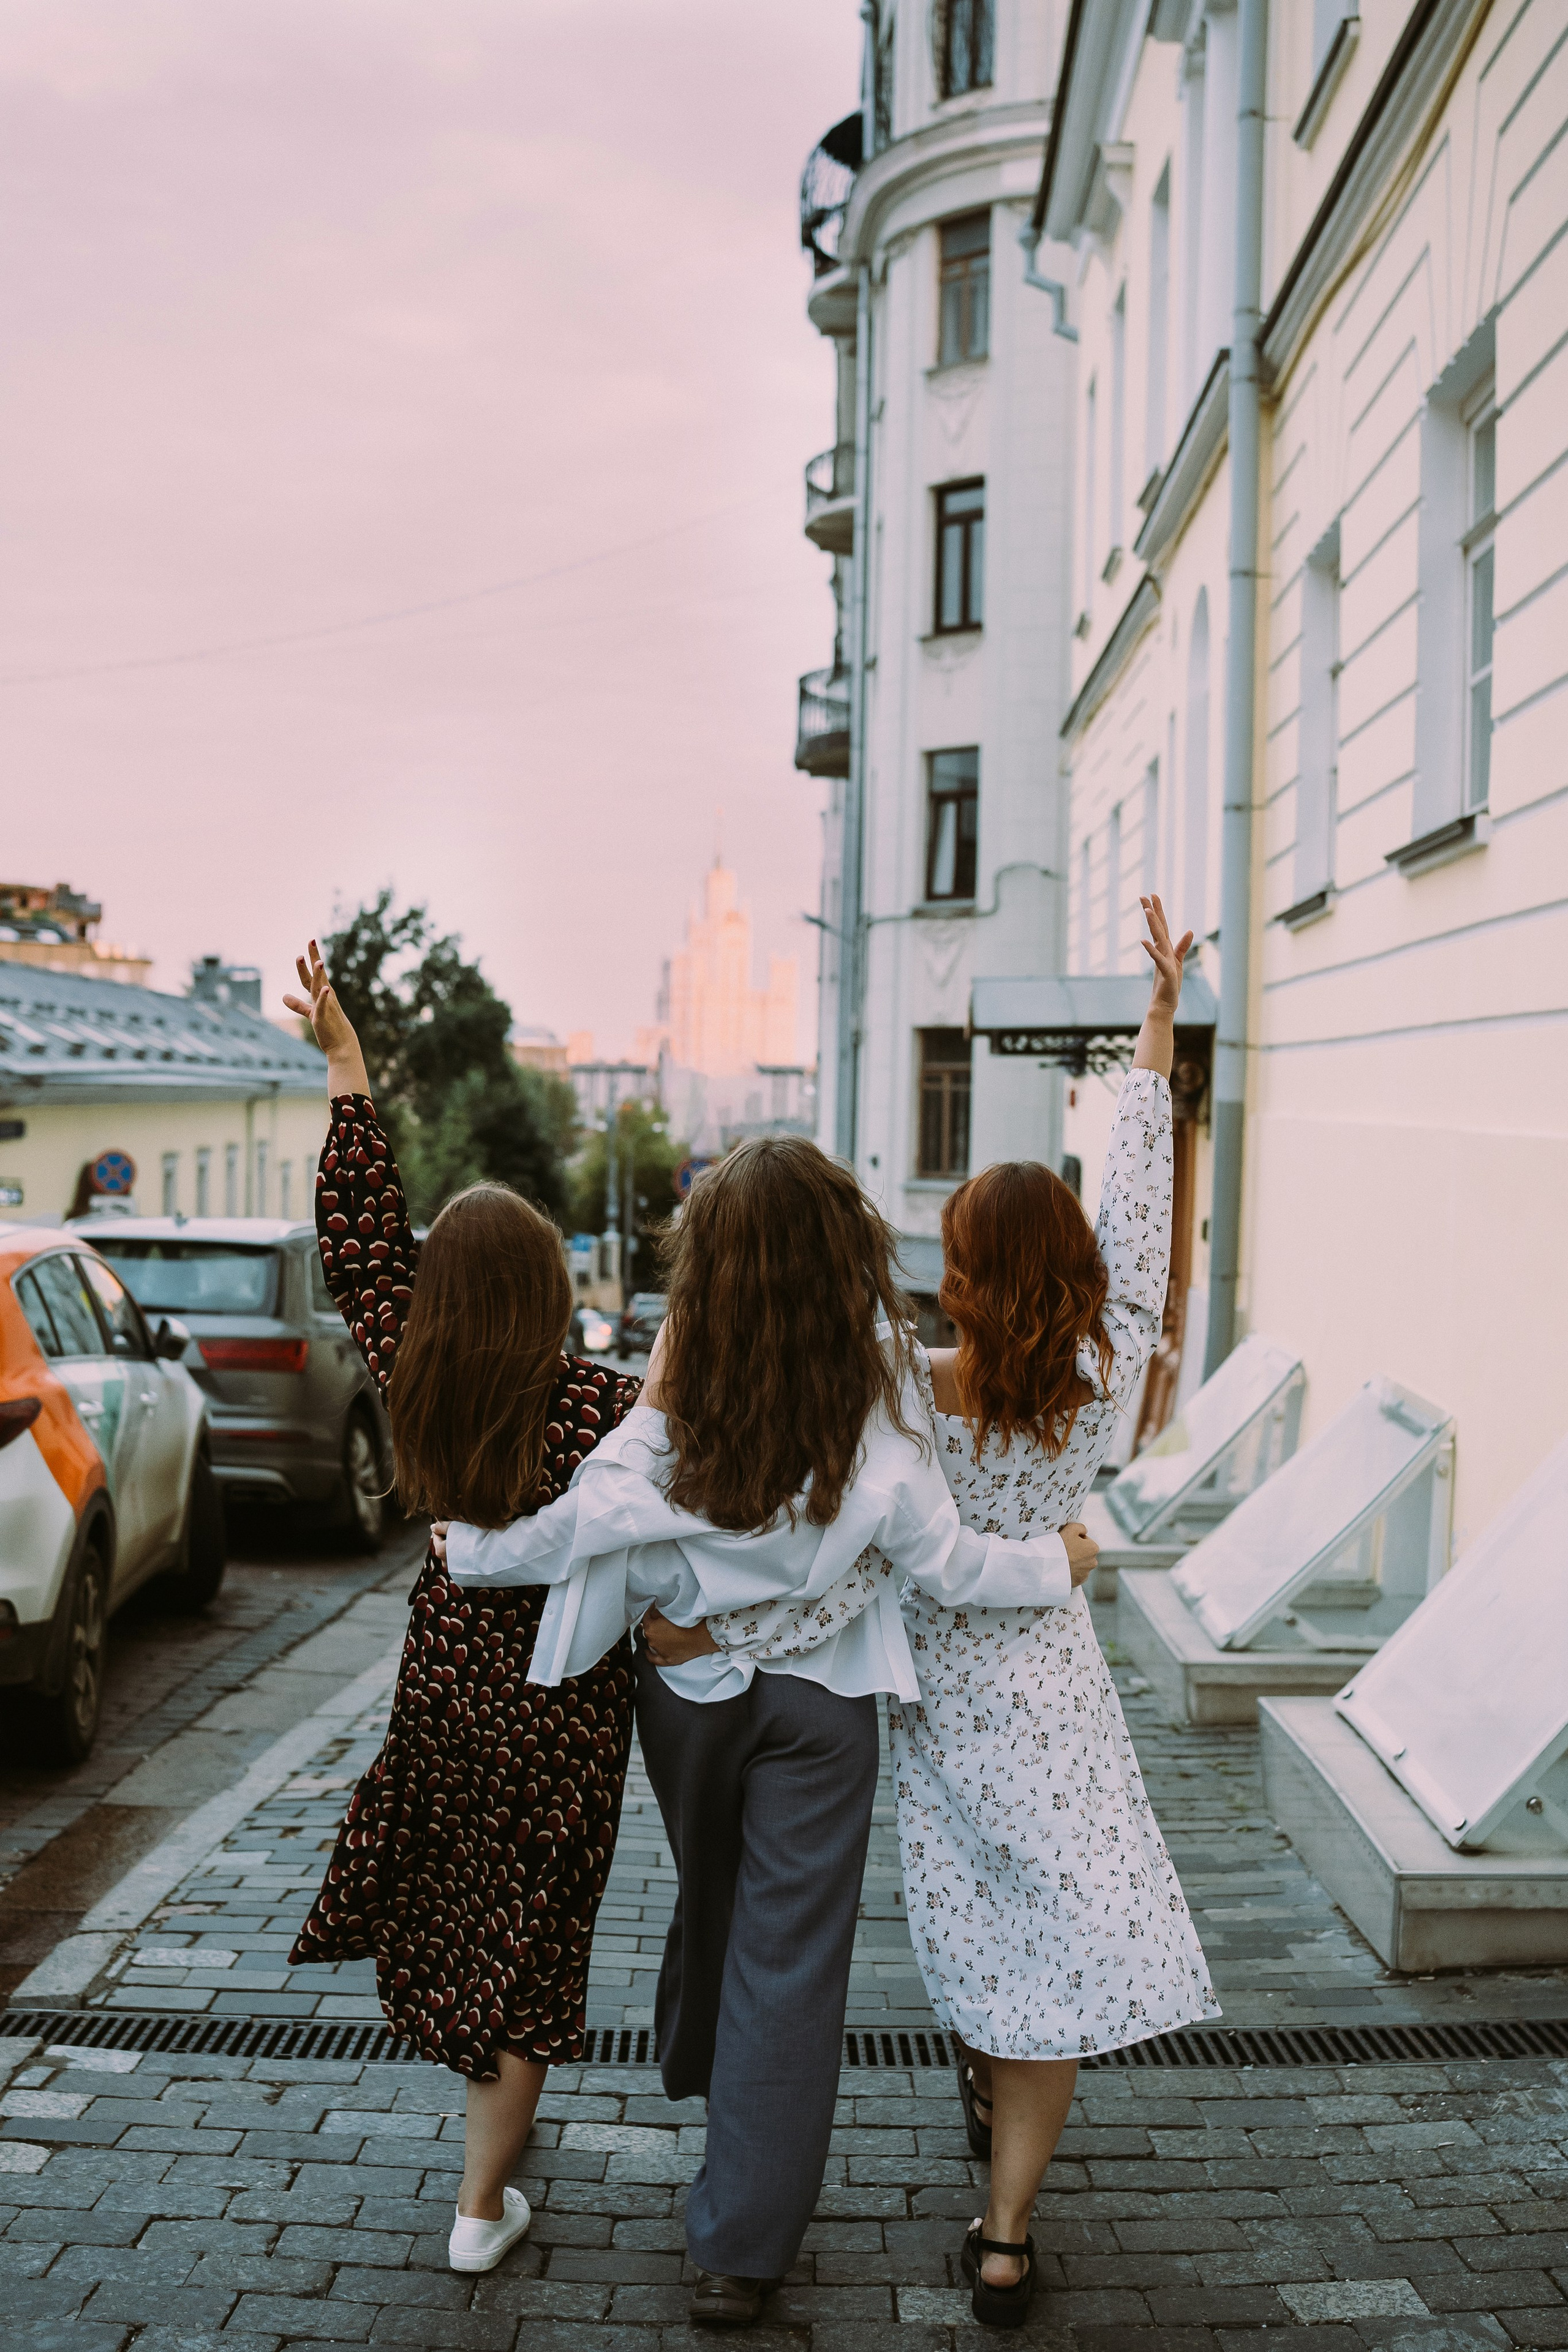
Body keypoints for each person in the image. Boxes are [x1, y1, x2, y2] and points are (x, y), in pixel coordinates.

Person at [437, 1144, 1100, 2327]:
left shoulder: (675, 1410)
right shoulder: (881, 1411)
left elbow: (574, 1528)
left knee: (719, 1905)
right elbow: (949, 1563)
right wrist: (1061, 1559)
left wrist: (466, 1550)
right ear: (843, 1259)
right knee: (785, 1962)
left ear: (715, 1273)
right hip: (823, 1711)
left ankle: (722, 2112)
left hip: (686, 1703)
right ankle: (737, 2254)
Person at [682, 895, 1219, 2328]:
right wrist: (1153, 1034)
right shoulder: (1109, 1368)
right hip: (1052, 1688)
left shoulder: (909, 1380)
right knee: (1046, 1946)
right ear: (1080, 1279)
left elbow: (802, 1325)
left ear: (963, 1276)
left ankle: (979, 2091)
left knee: (979, 1937)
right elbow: (1139, 1200)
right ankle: (1002, 2236)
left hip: (920, 1690)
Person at [281, 941, 641, 2278]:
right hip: (564, 1696)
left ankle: (478, 2078)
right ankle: (480, 2208)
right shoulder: (603, 1406)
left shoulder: (410, 1365)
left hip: (445, 1679)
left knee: (464, 1896)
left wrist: (345, 1066)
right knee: (535, 1929)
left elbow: (362, 1234)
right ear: (549, 1287)